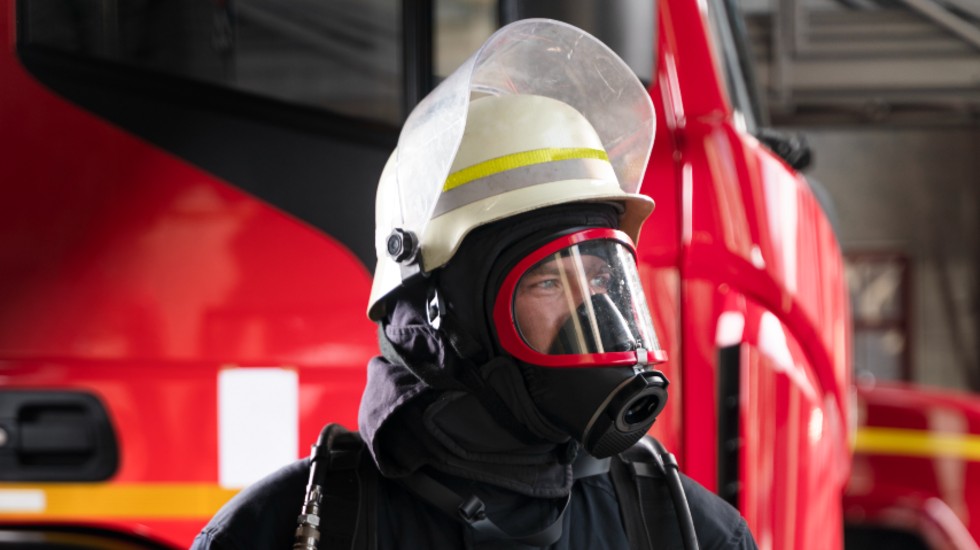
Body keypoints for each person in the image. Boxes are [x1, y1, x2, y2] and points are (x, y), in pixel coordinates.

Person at [192, 19, 757, 550]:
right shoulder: (283, 532)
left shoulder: (688, 531)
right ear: (443, 315)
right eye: (547, 283)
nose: (596, 314)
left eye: (603, 275)